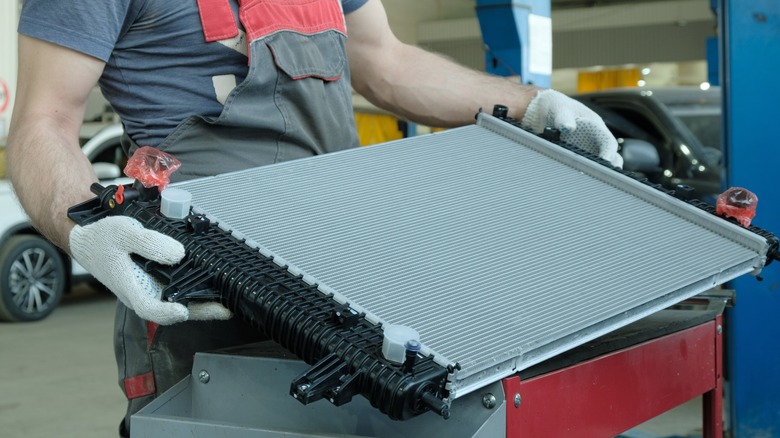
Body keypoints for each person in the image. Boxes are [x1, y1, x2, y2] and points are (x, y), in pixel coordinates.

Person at [7, 0, 622, 436]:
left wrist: (531, 105)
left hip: (344, 283)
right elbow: (42, 122)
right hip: (203, 295)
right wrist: (82, 228)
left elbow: (388, 64)